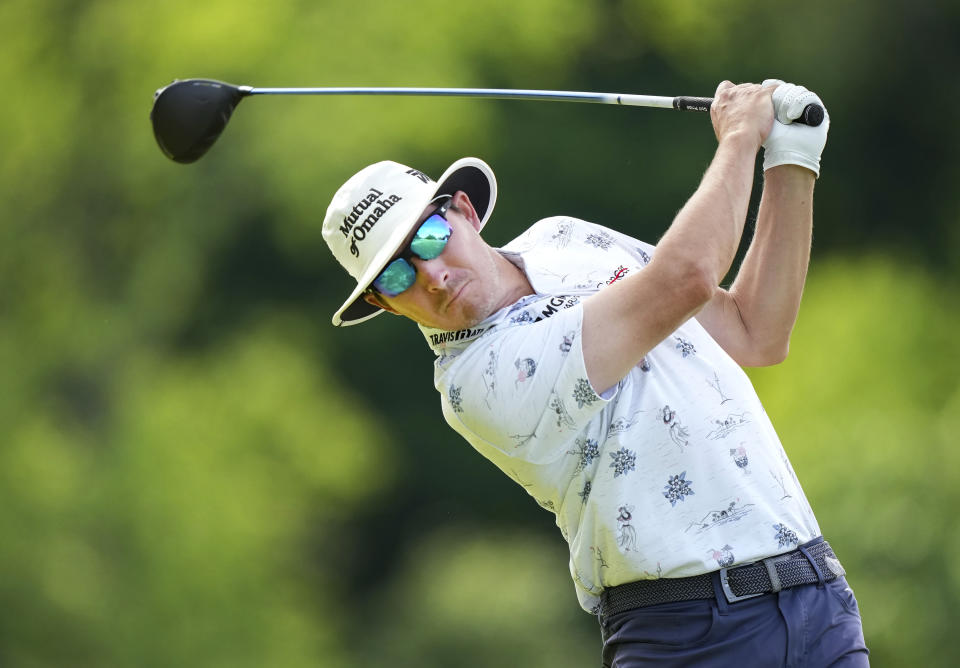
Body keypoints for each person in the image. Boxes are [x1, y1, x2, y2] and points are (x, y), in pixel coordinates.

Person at [321, 79, 869, 666]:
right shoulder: (474, 383)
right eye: (397, 278)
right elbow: (682, 281)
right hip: (688, 634)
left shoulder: (565, 236)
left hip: (815, 592)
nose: (431, 276)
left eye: (429, 238)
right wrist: (739, 138)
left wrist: (792, 158)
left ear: (464, 211)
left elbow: (754, 330)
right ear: (384, 304)